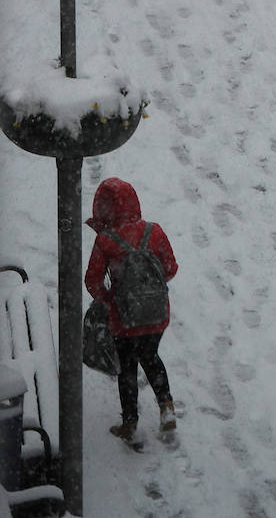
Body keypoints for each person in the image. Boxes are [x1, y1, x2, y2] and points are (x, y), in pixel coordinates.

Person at [85, 177, 179, 443]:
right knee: (150, 356)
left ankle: (130, 424)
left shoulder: (106, 240)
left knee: (127, 367)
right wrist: (147, 287)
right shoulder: (154, 231)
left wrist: (109, 299)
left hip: (123, 318)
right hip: (155, 313)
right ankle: (167, 408)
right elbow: (171, 268)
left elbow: (92, 280)